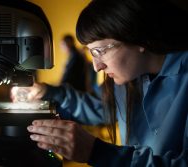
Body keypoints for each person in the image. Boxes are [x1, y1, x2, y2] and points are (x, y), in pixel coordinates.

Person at [11, 0, 188, 166]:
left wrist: (98, 152)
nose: (96, 67)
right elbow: (100, 109)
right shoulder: (129, 81)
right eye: (91, 54)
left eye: (99, 51)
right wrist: (47, 91)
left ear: (137, 37)